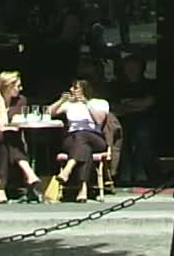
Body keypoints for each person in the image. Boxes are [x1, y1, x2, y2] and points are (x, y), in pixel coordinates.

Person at [0, 71, 42, 203]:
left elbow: (15, 126)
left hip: (6, 140)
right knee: (5, 137)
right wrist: (0, 103)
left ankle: (1, 188)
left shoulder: (21, 100)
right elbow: (0, 125)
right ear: (7, 86)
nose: (20, 89)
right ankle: (28, 172)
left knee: (5, 141)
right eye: (18, 86)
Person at [49, 79, 108, 202]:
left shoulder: (99, 103)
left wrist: (86, 103)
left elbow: (99, 120)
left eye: (75, 88)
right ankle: (83, 188)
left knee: (82, 135)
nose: (72, 90)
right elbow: (48, 112)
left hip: (95, 138)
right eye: (72, 87)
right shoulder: (70, 104)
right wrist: (61, 101)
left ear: (85, 89)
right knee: (84, 147)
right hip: (72, 139)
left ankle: (68, 169)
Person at [110, 55, 157, 186]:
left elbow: (149, 102)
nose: (131, 70)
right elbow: (114, 106)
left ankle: (140, 168)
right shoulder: (116, 85)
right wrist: (136, 106)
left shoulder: (148, 84)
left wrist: (129, 106)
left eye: (134, 66)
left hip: (144, 120)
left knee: (142, 134)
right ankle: (125, 169)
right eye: (128, 67)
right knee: (121, 136)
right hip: (121, 120)